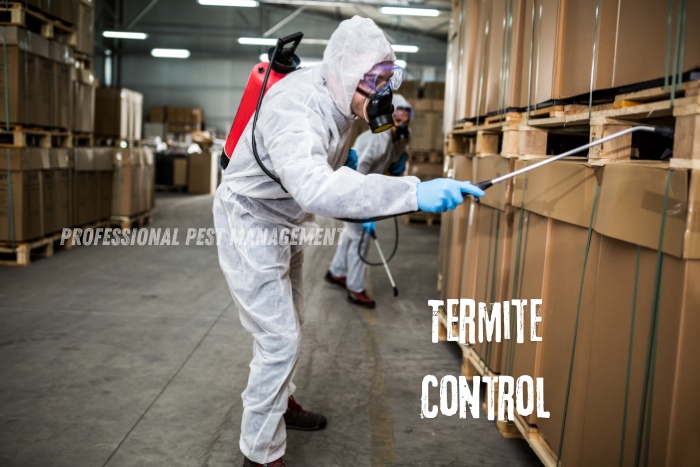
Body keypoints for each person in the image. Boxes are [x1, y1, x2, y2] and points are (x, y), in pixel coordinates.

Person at [213, 16, 484, 467]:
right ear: (344, 74)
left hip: (286, 218)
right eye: (372, 81)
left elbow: (324, 161)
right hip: (251, 219)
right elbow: (316, 188)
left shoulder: (342, 96)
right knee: (278, 338)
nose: (381, 94)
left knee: (291, 322)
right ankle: (259, 453)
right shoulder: (296, 110)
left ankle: (280, 402)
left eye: (385, 79)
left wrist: (344, 156)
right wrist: (413, 192)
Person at [325, 94, 414, 308]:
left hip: (368, 187)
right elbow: (356, 172)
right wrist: (363, 209)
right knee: (361, 237)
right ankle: (355, 289)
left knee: (351, 234)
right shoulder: (375, 140)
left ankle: (337, 272)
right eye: (398, 119)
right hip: (352, 186)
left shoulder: (403, 136)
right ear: (390, 116)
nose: (402, 124)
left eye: (406, 119)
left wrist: (400, 160)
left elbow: (397, 156)